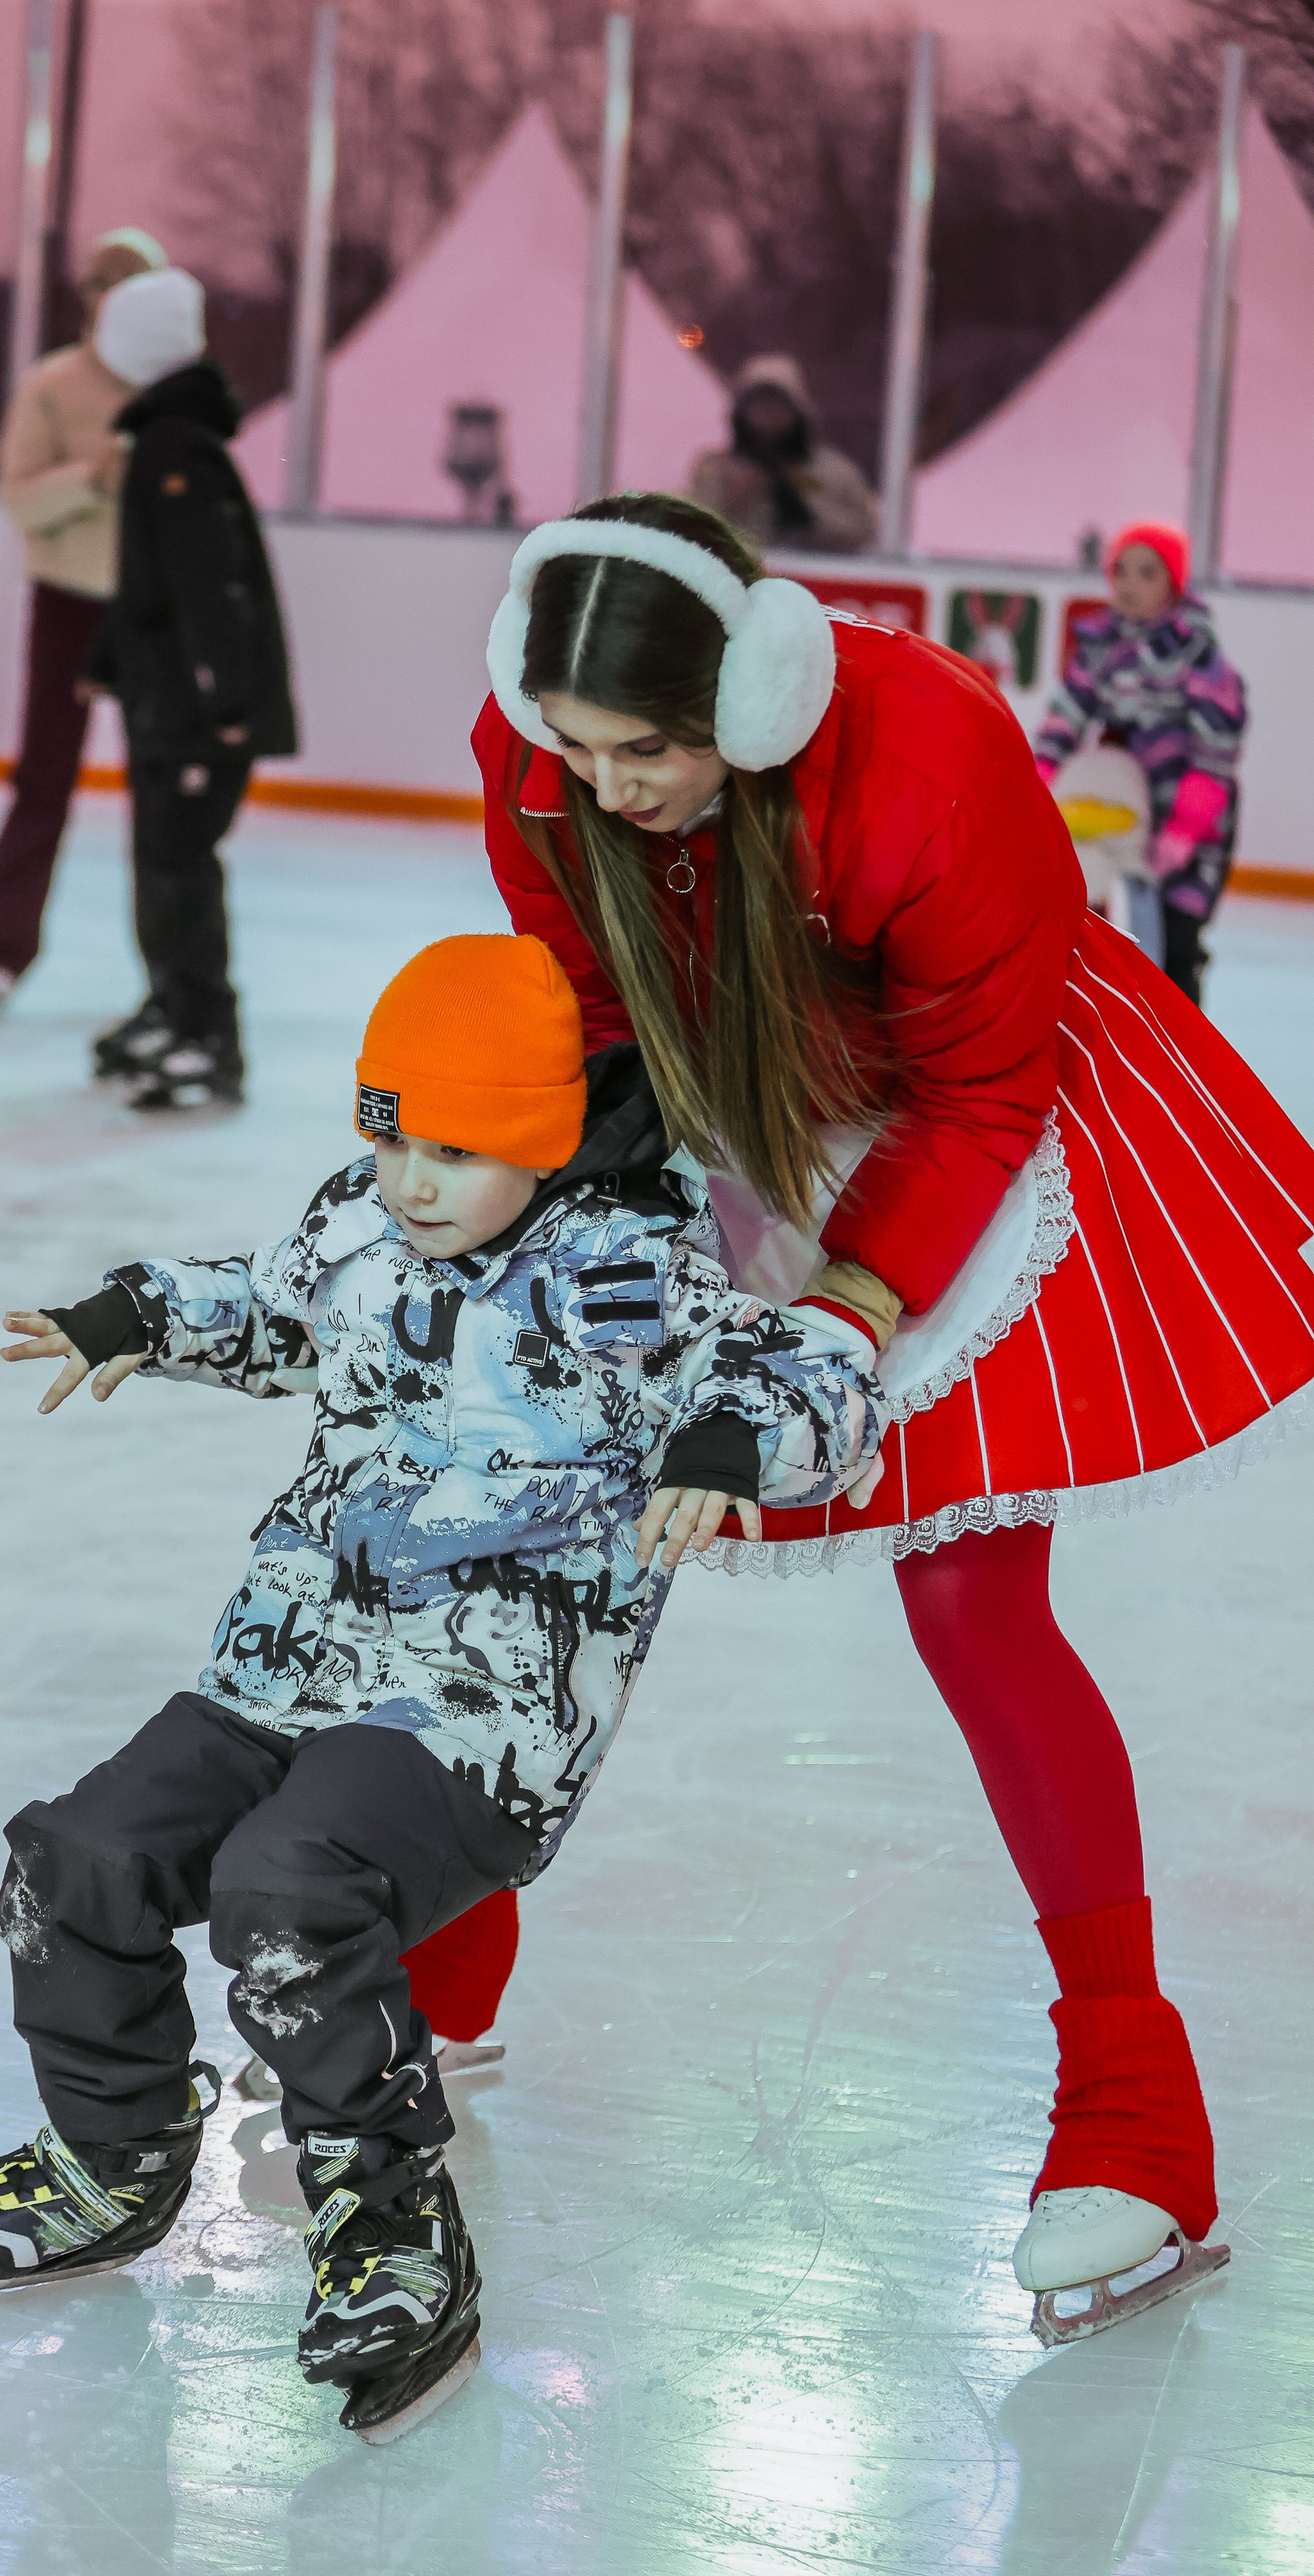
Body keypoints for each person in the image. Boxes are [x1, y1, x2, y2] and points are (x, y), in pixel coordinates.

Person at [464, 489, 1314, 2345]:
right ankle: (439, 1951)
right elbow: (591, 1004)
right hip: (718, 1113)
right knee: (556, 1509)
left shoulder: (929, 758)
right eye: (579, 751)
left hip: (958, 1123)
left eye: (653, 753)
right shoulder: (540, 761)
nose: (611, 793)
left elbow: (984, 1082)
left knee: (972, 1602)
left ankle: (1137, 2109)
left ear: (752, 710)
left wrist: (854, 1305)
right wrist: (610, 1252)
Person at [0, 933, 886, 2445]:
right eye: (390, 1130)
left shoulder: (630, 1271)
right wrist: (139, 1314)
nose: (413, 1179)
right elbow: (276, 1308)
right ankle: (111, 2155)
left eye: (458, 1148)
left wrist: (723, 1445)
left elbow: (808, 1371)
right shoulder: (361, 1227)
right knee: (71, 1859)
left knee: (282, 1894)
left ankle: (389, 2227)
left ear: (544, 1140)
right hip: (286, 1661)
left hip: (481, 1711)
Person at [82, 268, 297, 1109]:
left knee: (179, 863)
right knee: (161, 858)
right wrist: (107, 658)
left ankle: (209, 1037)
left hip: (196, 715)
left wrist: (229, 707)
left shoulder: (177, 448)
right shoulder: (166, 440)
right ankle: (173, 1006)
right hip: (171, 705)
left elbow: (213, 589)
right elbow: (151, 582)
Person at [0, 228, 169, 1016]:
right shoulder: (50, 385)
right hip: (69, 604)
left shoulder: (177, 392)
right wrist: (94, 477)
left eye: (128, 281)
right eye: (100, 280)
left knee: (162, 792)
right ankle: (0, 953)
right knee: (42, 780)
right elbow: (17, 494)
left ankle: (169, 977)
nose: (110, 295)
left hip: (152, 611)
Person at [1035, 520, 1246, 1007]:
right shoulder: (1101, 647)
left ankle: (1184, 1048)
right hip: (1125, 812)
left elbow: (1216, 753)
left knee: (1175, 944)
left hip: (1192, 825)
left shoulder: (1200, 658)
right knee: (1111, 934)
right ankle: (1117, 1031)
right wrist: (1040, 779)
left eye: (1147, 573)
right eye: (1122, 571)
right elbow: (1067, 716)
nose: (1130, 585)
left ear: (1174, 583)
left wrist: (1184, 830)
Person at [687, 354, 877, 555]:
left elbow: (863, 533)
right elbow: (687, 529)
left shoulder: (831, 471)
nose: (768, 414)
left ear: (798, 411)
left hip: (815, 581)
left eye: (778, 405)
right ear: (741, 412)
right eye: (759, 405)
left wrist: (798, 497)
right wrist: (731, 500)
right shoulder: (715, 470)